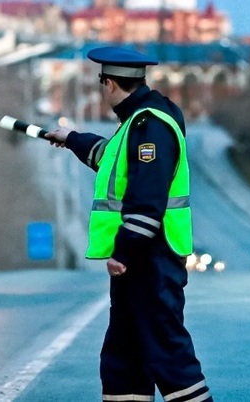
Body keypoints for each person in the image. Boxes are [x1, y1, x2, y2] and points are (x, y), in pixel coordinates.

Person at [45, 46, 213, 402]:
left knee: (169, 356)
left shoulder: (149, 125)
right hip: (142, 263)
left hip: (150, 260)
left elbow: (146, 198)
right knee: (124, 359)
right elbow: (112, 159)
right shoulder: (139, 122)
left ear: (108, 84)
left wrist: (122, 253)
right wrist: (72, 139)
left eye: (101, 83)